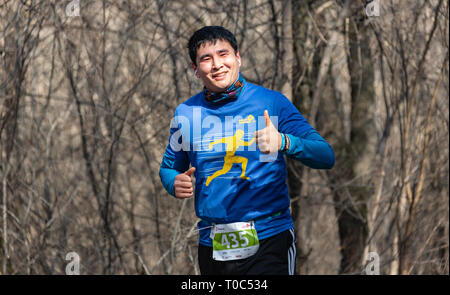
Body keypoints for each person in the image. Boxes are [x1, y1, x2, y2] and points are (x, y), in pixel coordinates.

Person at [159, 26, 335, 275]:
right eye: (206, 59)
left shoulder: (272, 102)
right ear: (195, 69)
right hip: (213, 244)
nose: (217, 64)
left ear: (238, 57)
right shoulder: (186, 114)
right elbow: (169, 168)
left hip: (270, 238)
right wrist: (172, 182)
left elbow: (325, 155)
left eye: (224, 54)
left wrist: (285, 142)